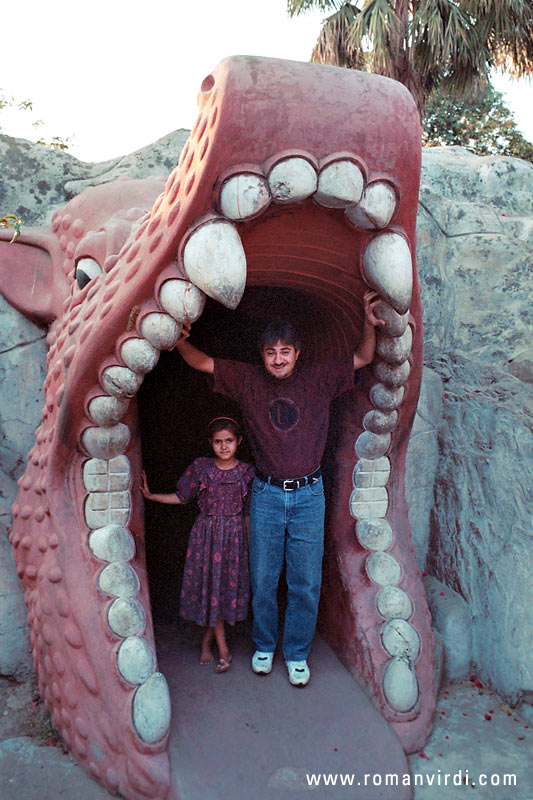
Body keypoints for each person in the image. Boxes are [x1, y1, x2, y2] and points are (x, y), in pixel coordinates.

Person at [174, 290, 385, 686]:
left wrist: (366, 321)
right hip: (267, 494)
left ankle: (298, 654)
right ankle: (264, 645)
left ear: (298, 353)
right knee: (264, 577)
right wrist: (178, 337)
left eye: (285, 351)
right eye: (271, 352)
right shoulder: (248, 379)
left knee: (305, 581)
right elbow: (202, 361)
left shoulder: (320, 377)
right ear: (263, 355)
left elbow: (364, 357)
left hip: (309, 494)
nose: (278, 359)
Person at [140, 417, 255, 673]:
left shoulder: (247, 472)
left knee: (223, 591)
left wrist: (248, 543)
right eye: (218, 442)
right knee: (211, 590)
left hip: (234, 538)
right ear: (210, 444)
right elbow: (182, 497)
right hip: (207, 537)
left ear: (238, 442)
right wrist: (151, 496)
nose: (223, 447)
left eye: (229, 441)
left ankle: (206, 642)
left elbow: (248, 512)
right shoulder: (201, 468)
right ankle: (222, 648)